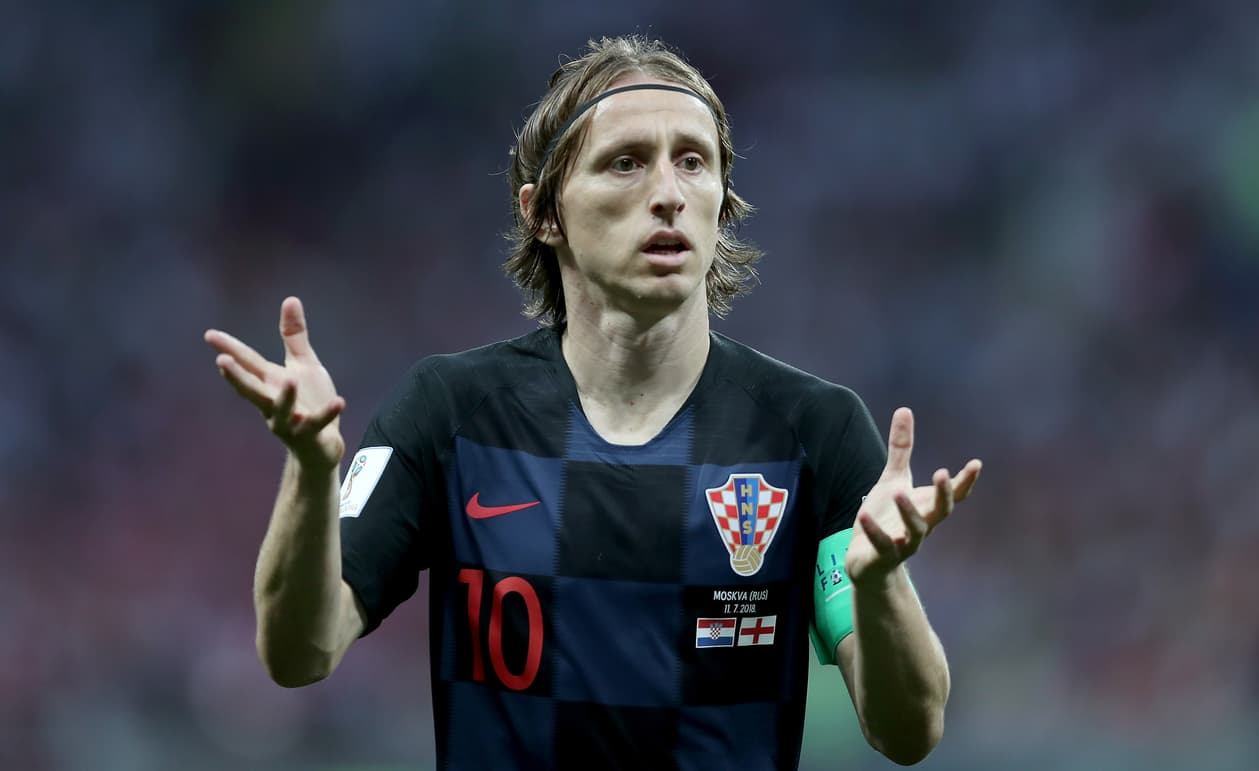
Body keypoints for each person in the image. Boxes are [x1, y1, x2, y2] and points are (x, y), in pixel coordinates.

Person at [204, 35, 981, 770]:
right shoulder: (449, 413)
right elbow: (299, 652)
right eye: (626, 163)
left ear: (723, 201)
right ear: (543, 211)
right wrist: (310, 468)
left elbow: (908, 731)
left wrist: (879, 585)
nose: (669, 194)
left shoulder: (813, 431)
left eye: (694, 162)